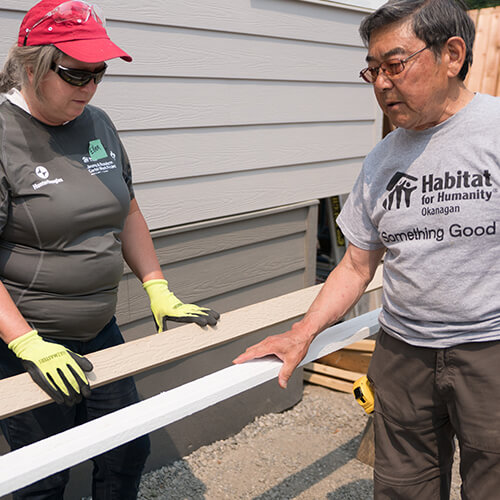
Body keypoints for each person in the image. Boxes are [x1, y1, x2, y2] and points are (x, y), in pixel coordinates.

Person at [234, 0, 499, 498]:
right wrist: (303, 333)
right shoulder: (381, 158)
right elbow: (356, 265)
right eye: (372, 70)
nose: (380, 83)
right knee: (402, 487)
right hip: (403, 353)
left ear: (453, 54)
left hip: (491, 350)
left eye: (394, 65)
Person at [0, 1, 219, 498]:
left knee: (126, 450)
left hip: (100, 329)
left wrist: (158, 288)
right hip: (29, 343)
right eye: (77, 75)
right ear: (31, 64)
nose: (90, 88)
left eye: (98, 74)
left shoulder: (97, 123)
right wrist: (27, 343)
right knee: (43, 474)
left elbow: (128, 212)